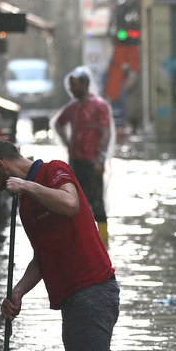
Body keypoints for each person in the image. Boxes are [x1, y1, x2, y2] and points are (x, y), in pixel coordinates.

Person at [0, 140, 120, 351]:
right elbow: (43, 257)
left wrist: (27, 187)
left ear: (1, 166)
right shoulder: (25, 206)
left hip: (93, 290)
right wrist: (17, 293)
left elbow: (70, 204)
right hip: (73, 299)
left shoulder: (54, 171)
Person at [53, 67, 116, 245]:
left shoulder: (99, 106)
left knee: (97, 205)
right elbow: (58, 123)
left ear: (85, 85)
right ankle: (82, 242)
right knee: (76, 204)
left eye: (74, 85)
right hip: (75, 163)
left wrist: (101, 160)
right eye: (70, 86)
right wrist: (68, 143)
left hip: (92, 162)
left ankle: (104, 243)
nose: (71, 89)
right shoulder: (72, 107)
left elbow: (105, 133)